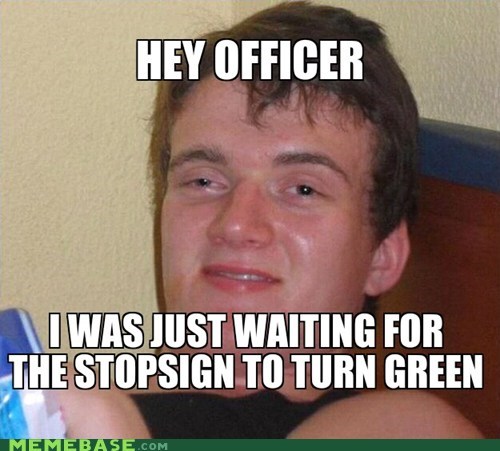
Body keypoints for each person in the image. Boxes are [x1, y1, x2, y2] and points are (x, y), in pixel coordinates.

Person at [59, 1, 482, 438]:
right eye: (203, 180)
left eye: (303, 189)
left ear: (382, 256)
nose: (236, 225)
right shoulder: (58, 398)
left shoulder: (406, 428)